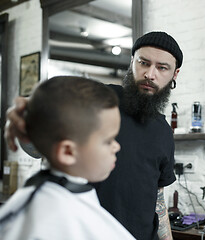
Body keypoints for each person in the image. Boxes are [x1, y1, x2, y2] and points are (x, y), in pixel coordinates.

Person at [5, 31, 182, 240]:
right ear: (132, 61)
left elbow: (158, 200)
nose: (150, 74)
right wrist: (30, 115)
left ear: (174, 74)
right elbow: (41, 136)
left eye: (162, 68)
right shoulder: (98, 103)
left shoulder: (163, 132)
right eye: (144, 63)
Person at [0, 76, 134, 240]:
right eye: (108, 141)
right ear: (67, 152)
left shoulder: (58, 205)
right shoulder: (51, 221)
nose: (117, 147)